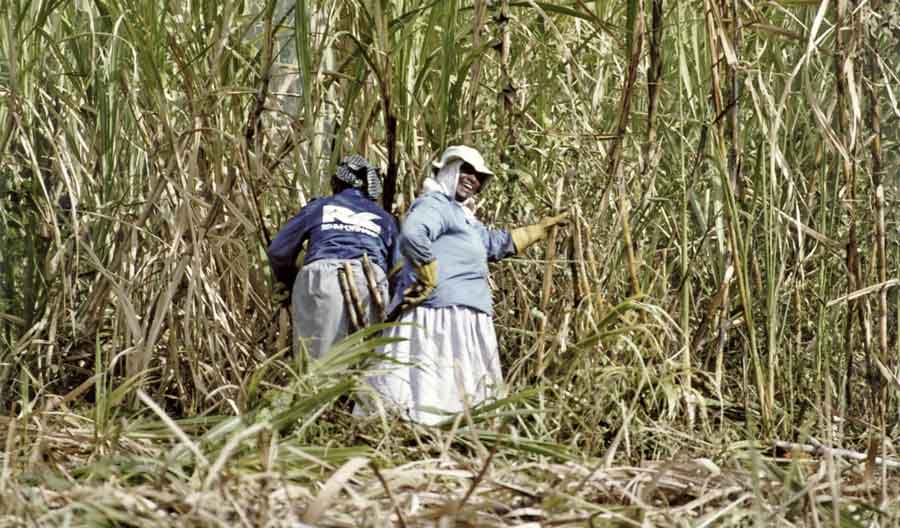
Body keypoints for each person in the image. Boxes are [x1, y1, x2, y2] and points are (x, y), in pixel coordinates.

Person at [362, 145, 568, 424]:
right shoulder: (434, 203)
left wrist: (538, 230)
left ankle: (451, 436)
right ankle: (422, 433)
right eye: (466, 170)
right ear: (448, 170)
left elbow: (495, 244)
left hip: (465, 312)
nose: (473, 179)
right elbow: (412, 234)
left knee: (455, 385)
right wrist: (428, 270)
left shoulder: (464, 218)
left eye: (478, 176)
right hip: (439, 313)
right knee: (431, 383)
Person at [267, 154, 396, 359]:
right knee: (366, 369)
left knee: (320, 366)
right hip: (371, 282)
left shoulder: (320, 206)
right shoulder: (385, 219)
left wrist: (288, 281)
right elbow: (397, 268)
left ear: (337, 182)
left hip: (322, 281)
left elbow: (278, 251)